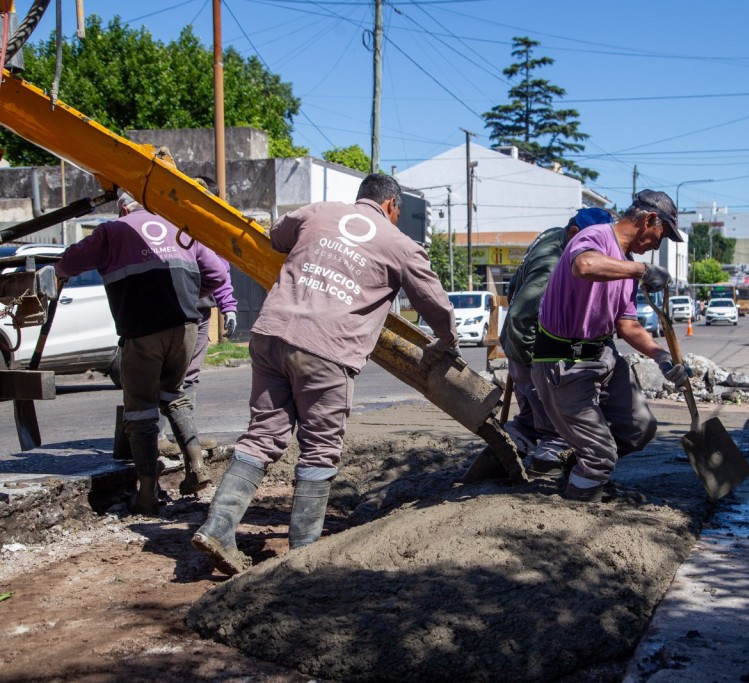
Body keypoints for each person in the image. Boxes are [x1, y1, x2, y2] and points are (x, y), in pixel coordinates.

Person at [192, 173, 458, 575]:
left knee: (263, 435)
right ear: (391, 206)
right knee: (319, 448)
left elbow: (276, 238)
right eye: (397, 213)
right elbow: (435, 303)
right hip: (326, 350)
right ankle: (304, 554)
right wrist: (447, 340)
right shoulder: (401, 246)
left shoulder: (318, 212)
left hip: (271, 334)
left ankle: (218, 527)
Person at [55, 191, 231, 514]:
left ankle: (147, 494)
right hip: (185, 328)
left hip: (142, 333)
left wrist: (59, 271)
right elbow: (218, 274)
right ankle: (196, 468)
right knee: (173, 394)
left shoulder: (112, 232)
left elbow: (69, 261)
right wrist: (189, 296)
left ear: (124, 207)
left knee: (140, 411)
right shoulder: (179, 227)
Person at [530, 190, 691, 502]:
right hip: (564, 362)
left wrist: (662, 357)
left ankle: (579, 468)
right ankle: (577, 505)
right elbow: (585, 266)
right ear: (650, 220)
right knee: (601, 457)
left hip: (603, 357)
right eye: (662, 235)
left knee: (639, 428)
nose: (660, 244)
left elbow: (627, 324)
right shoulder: (596, 236)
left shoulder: (626, 265)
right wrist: (642, 271)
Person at [499, 207, 612, 476]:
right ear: (575, 233)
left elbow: (513, 287)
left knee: (530, 418)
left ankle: (506, 453)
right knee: (554, 427)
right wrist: (538, 369)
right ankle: (544, 478)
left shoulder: (555, 236)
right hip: (528, 343)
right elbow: (518, 315)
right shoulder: (553, 264)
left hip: (523, 341)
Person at [157, 177, 238, 455]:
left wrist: (228, 306)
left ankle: (185, 437)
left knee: (189, 375)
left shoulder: (211, 232)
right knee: (167, 373)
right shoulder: (168, 225)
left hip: (199, 312)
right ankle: (158, 437)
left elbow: (221, 272)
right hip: (172, 310)